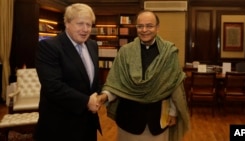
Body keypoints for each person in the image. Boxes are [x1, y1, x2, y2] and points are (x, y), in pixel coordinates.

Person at [98, 10, 190, 141]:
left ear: (157, 28)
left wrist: (173, 112)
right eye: (140, 26)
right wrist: (105, 95)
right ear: (136, 28)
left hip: (158, 121)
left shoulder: (169, 52)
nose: (144, 30)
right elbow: (116, 82)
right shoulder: (125, 52)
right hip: (128, 119)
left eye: (149, 26)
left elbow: (174, 85)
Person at [34, 3, 101, 141]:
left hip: (88, 124)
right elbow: (52, 86)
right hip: (60, 126)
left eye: (89, 24)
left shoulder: (92, 45)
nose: (85, 29)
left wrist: (100, 96)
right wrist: (86, 101)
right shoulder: (49, 47)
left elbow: (92, 81)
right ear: (67, 23)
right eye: (80, 24)